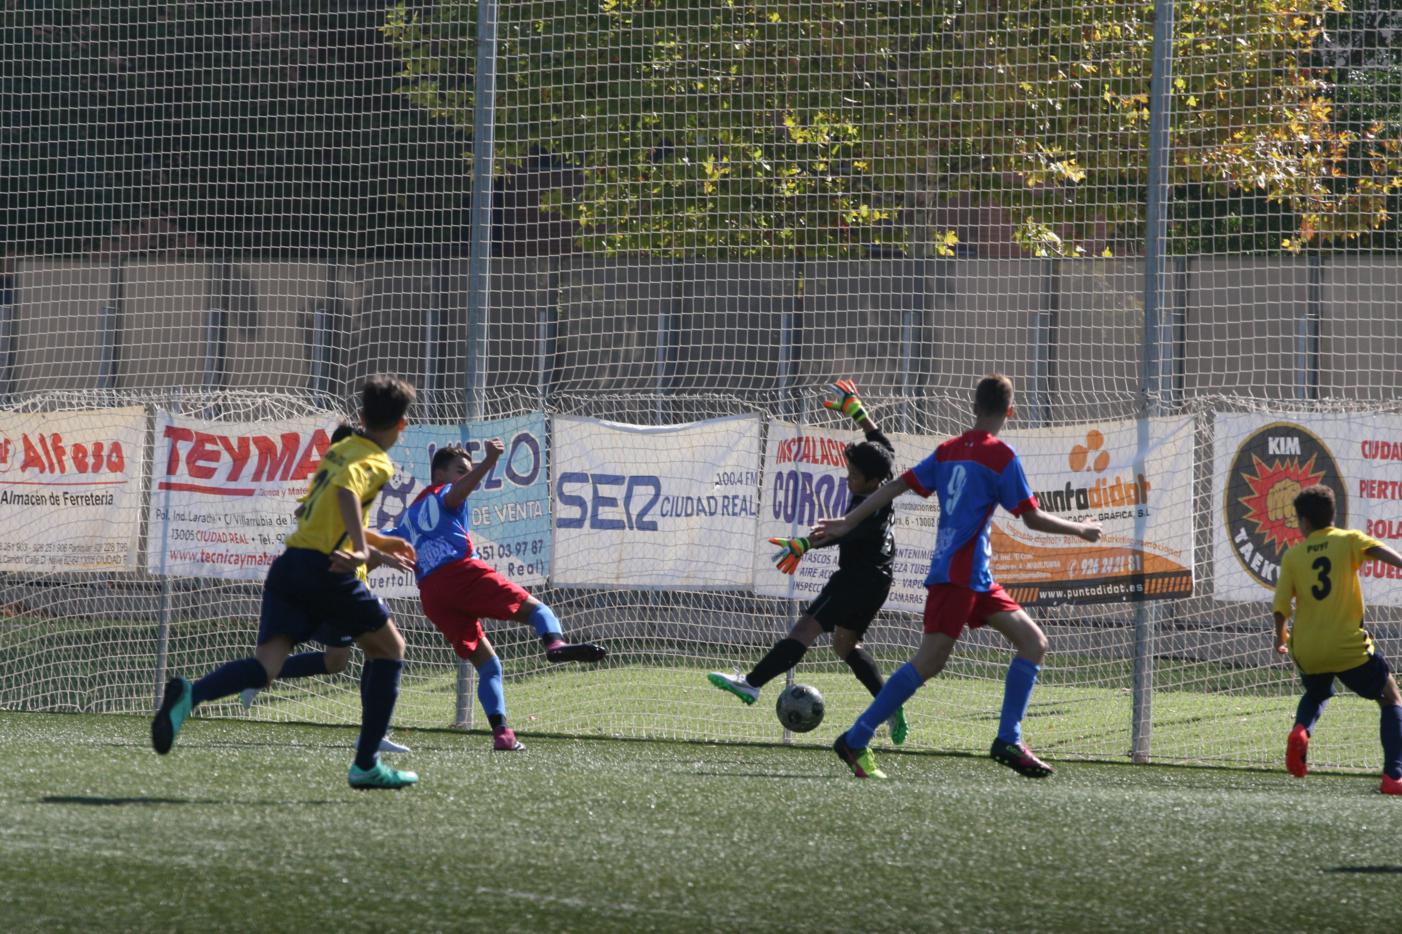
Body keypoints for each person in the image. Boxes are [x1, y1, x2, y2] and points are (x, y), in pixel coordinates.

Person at [818, 373, 1101, 779]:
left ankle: (1009, 739)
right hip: (958, 575)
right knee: (929, 662)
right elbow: (1031, 518)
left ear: (973, 407)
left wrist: (849, 520)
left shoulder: (948, 450)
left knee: (1033, 643)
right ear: (1010, 411)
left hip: (975, 576)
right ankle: (856, 737)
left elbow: (895, 486)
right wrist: (1081, 529)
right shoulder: (1001, 456)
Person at [151, 375, 422, 790]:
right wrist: (362, 552)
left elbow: (321, 510)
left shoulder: (340, 449)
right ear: (402, 424)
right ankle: (366, 764)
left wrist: (379, 542)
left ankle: (192, 694)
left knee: (266, 668)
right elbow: (347, 495)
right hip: (328, 571)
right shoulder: (376, 460)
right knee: (390, 649)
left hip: (290, 565)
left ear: (362, 415)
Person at [708, 380, 908, 744]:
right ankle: (890, 705)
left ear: (873, 480)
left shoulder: (870, 508)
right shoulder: (884, 480)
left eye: (854, 475)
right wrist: (859, 414)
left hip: (855, 579)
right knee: (845, 646)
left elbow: (841, 532)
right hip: (879, 580)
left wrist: (803, 544)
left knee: (804, 630)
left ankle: (752, 683)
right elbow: (883, 444)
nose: (848, 479)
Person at [383, 438, 607, 751]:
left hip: (432, 595)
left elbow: (377, 541)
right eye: (460, 470)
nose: (465, 476)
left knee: (489, 666)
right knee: (539, 612)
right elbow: (457, 492)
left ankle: (503, 734)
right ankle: (555, 645)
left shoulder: (408, 517)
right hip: (461, 573)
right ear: (439, 474)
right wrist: (489, 461)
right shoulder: (443, 493)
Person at [237, 421, 409, 755]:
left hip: (343, 580)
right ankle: (374, 734)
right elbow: (322, 521)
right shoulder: (341, 483)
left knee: (337, 662)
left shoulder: (343, 481)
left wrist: (381, 554)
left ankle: (257, 674)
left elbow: (333, 525)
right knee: (382, 648)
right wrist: (379, 555)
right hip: (336, 585)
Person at [1271, 484, 1402, 795]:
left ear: (1303, 521)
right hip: (1347, 646)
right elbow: (1379, 551)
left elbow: (1280, 608)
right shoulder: (1348, 540)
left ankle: (1302, 730)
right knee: (1391, 696)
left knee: (1317, 692)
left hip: (1308, 648)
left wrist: (1280, 638)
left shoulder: (1293, 556)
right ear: (1333, 514)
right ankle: (1394, 776)